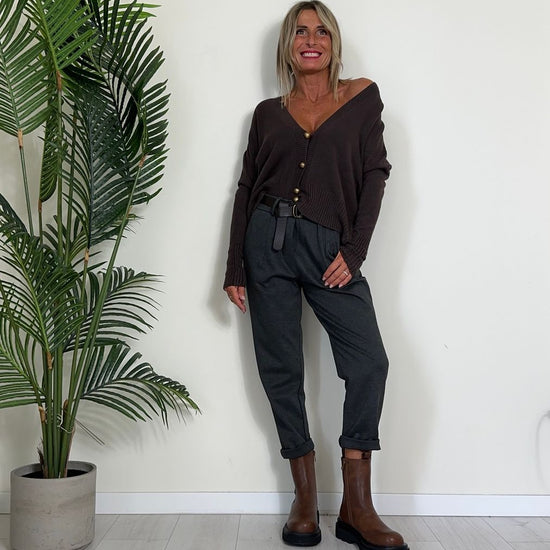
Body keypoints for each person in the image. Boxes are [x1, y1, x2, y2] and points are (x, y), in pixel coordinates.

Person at [224, 2, 408, 548]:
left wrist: (355, 251)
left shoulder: (361, 97)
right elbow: (246, 187)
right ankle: (304, 498)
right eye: (300, 31)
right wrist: (235, 264)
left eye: (321, 31)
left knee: (369, 363)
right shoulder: (266, 113)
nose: (311, 40)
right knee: (281, 369)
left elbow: (375, 174)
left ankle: (356, 505)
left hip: (331, 250)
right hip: (267, 246)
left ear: (334, 42)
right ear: (288, 45)